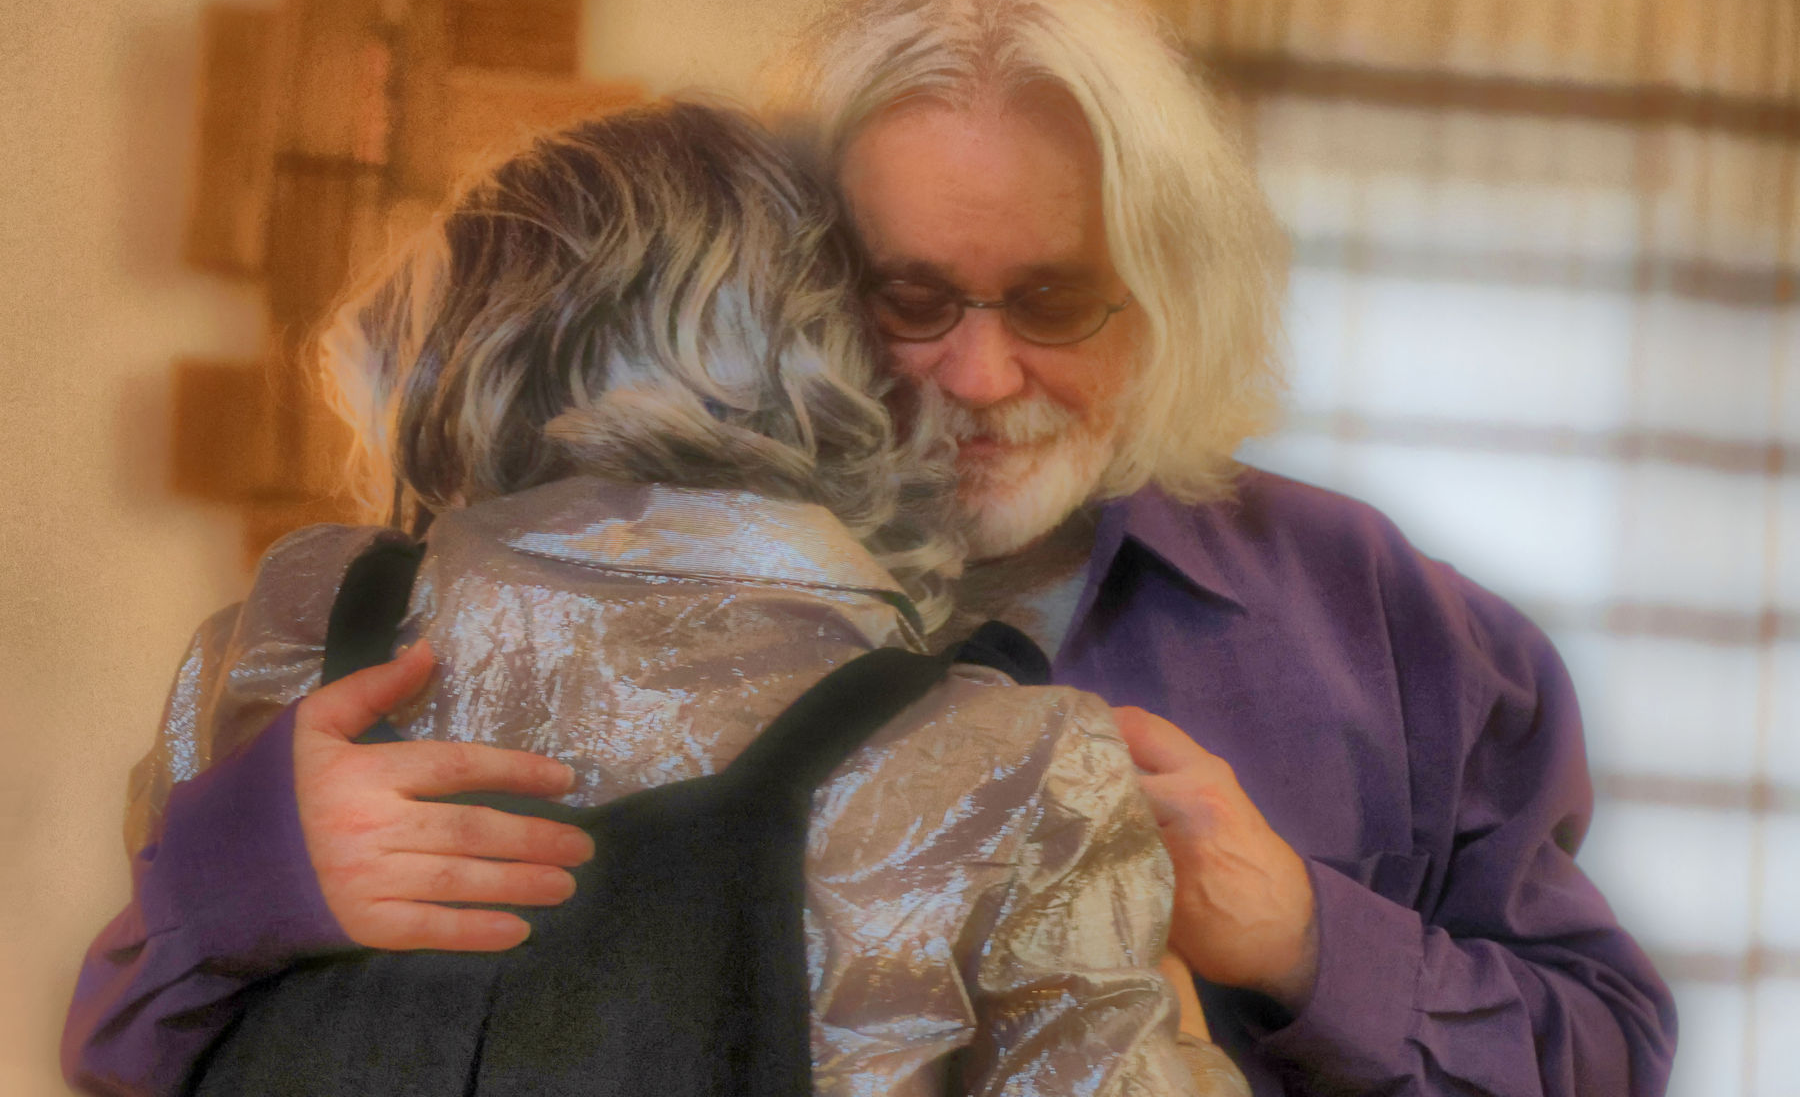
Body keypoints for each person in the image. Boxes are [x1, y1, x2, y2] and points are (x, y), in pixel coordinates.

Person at [63, 100, 1247, 1095]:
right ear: (833, 353)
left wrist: (243, 875)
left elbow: (120, 1058)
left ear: (469, 347)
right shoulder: (1016, 767)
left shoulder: (297, 640)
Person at [758, 0, 1678, 1096]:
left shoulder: (1390, 619)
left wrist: (1306, 938)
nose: (983, 379)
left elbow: (1605, 1058)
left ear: (1168, 296)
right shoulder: (634, 606)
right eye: (912, 301)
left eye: (1054, 303)